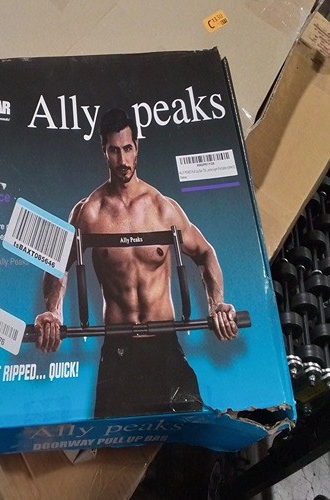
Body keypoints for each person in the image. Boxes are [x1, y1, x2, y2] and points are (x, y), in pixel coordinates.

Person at [34, 108, 238, 417]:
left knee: (188, 433)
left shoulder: (163, 208)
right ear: (104, 152)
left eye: (128, 148)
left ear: (137, 148)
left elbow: (204, 253)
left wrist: (216, 304)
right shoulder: (89, 212)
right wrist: (53, 311)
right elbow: (56, 264)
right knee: (114, 441)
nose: (123, 160)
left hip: (164, 346)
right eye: (114, 151)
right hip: (119, 350)